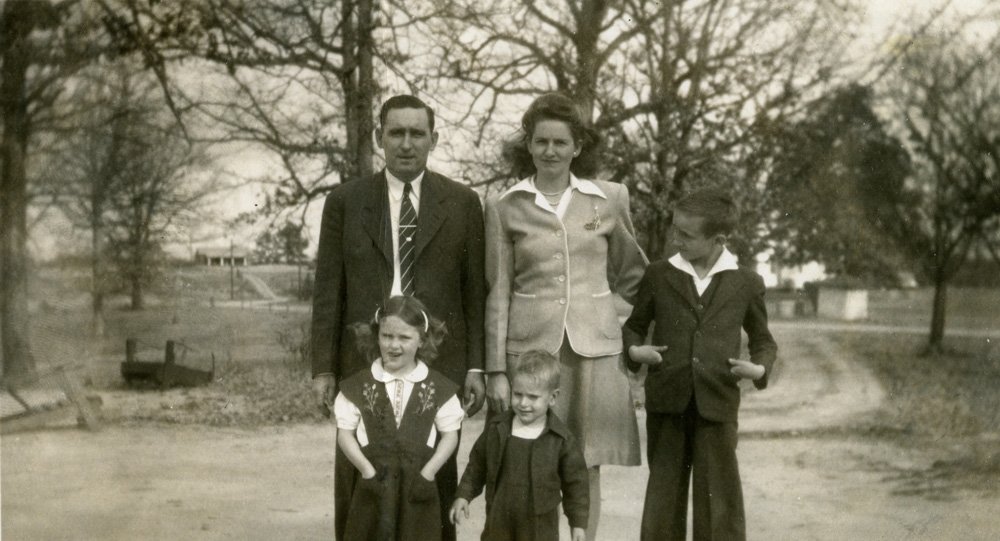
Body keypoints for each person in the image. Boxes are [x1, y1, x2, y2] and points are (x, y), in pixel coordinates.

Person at [310, 94, 487, 541]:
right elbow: (328, 290)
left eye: (417, 133)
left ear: (434, 139)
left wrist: (474, 367)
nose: (406, 144)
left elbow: (473, 294)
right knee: (361, 479)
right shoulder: (346, 202)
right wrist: (324, 368)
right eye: (396, 132)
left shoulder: (463, 203)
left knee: (433, 478)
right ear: (379, 138)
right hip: (364, 358)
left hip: (439, 363)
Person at [483, 92, 647, 540]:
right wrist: (497, 368)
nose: (550, 151)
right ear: (529, 145)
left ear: (577, 147)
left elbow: (634, 274)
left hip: (593, 354)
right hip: (530, 354)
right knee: (525, 459)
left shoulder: (608, 198)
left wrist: (606, 313)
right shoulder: (505, 205)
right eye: (541, 142)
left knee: (584, 461)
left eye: (560, 142)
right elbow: (498, 291)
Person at [622, 187, 778, 541]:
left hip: (717, 405)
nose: (676, 239)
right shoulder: (659, 275)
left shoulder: (746, 283)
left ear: (718, 239)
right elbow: (632, 327)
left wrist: (760, 369)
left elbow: (764, 341)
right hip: (667, 403)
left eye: (686, 235)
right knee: (663, 503)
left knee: (719, 504)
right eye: (675, 230)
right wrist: (635, 352)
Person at [334, 296, 464, 541]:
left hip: (417, 486)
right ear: (377, 335)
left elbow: (449, 434)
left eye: (404, 338)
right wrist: (366, 470)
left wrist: (429, 472)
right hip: (373, 486)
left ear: (422, 340)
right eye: (387, 336)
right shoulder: (358, 385)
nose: (394, 345)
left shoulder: (438, 386)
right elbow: (345, 433)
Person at [450, 350, 589, 541]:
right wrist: (464, 495)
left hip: (539, 525)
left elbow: (576, 485)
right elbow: (477, 465)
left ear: (553, 398)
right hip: (499, 517)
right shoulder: (497, 428)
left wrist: (578, 523)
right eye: (518, 394)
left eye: (533, 397)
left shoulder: (561, 440)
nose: (523, 403)